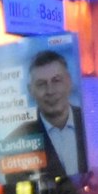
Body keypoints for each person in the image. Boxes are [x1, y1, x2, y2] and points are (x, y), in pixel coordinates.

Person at [26, 51, 86, 180]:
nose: (50, 91)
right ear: (31, 90)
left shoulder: (88, 124)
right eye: (41, 84)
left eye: (56, 81)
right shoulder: (20, 137)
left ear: (69, 82)